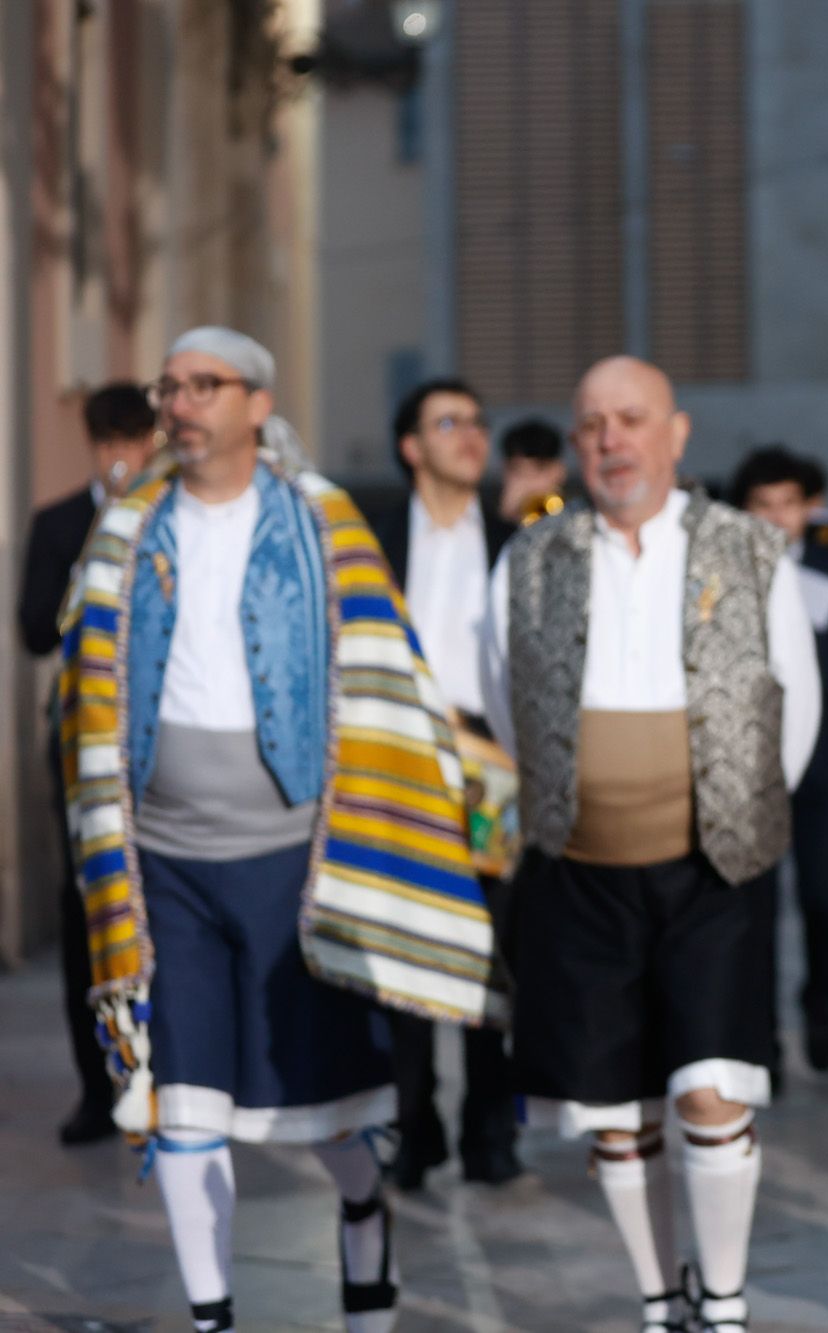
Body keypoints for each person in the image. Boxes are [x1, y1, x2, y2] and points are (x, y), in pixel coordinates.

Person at [57, 328, 506, 1333]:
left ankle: (362, 1211)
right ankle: (213, 1318)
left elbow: (391, 676)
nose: (179, 404)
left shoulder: (322, 522)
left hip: (294, 864)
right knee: (185, 1108)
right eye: (168, 386)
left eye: (202, 386)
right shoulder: (129, 529)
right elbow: (83, 688)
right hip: (162, 864)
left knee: (333, 1110)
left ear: (257, 404)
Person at [481, 356, 820, 1333]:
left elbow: (789, 701)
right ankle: (654, 1297)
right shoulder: (531, 558)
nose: (609, 441)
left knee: (711, 1093)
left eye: (631, 420)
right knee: (614, 1112)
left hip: (712, 864)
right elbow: (505, 701)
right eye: (590, 424)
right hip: (579, 870)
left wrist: (738, 808)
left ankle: (721, 1303)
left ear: (674, 435)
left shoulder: (750, 548)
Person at [363, 378, 523, 1190]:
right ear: (411, 445)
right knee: (404, 951)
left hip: (494, 771)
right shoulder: (375, 541)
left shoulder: (516, 541)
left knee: (495, 955)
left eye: (477, 419)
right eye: (448, 421)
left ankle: (491, 1135)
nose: (470, 434)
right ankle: (413, 1128)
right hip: (400, 763)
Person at [17, 381, 156, 1146]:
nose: (120, 458)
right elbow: (34, 630)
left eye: (133, 441)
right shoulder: (62, 522)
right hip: (79, 741)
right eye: (108, 443)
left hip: (157, 744)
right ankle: (95, 1084)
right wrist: (90, 548)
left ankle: (163, 1070)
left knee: (163, 907)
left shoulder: (170, 519)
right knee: (83, 915)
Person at [732, 445, 828, 1074]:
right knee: (753, 907)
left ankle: (821, 1006)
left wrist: (801, 673)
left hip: (823, 759)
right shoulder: (727, 574)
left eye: (787, 504)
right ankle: (757, 1033)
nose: (775, 517)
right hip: (750, 761)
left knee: (826, 898)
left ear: (806, 507)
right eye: (762, 506)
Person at [498, 416, 570, 523]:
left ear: (559, 471)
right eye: (518, 470)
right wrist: (504, 520)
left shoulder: (583, 518)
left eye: (540, 468)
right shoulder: (487, 526)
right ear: (504, 472)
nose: (529, 482)